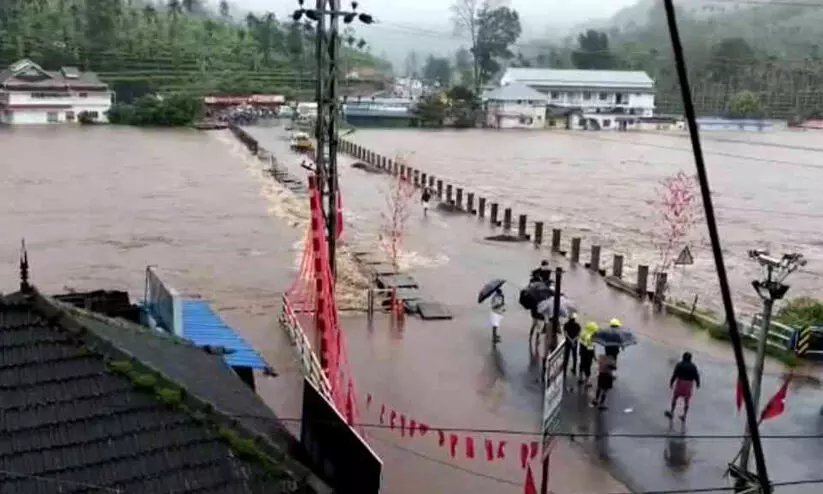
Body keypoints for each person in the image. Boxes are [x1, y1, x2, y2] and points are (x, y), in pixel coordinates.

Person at [665, 352, 701, 421]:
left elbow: (675, 374)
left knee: (675, 398)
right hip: (688, 385)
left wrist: (671, 382)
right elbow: (696, 376)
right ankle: (684, 415)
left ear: (683, 357)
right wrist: (698, 384)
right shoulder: (693, 366)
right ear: (691, 359)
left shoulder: (679, 364)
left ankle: (672, 412)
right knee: (687, 401)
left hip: (680, 383)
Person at [578, 321, 598, 387]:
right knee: (587, 367)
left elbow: (580, 343)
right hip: (588, 354)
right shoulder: (591, 337)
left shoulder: (583, 334)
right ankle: (587, 382)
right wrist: (594, 356)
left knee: (582, 364)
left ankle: (580, 378)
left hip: (582, 352)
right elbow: (591, 348)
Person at [562, 313, 581, 378]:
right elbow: (578, 335)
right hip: (575, 343)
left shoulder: (566, 325)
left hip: (567, 343)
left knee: (566, 357)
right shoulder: (578, 325)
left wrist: (570, 340)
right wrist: (573, 340)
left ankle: (564, 371)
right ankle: (574, 369)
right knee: (574, 356)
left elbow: (565, 334)